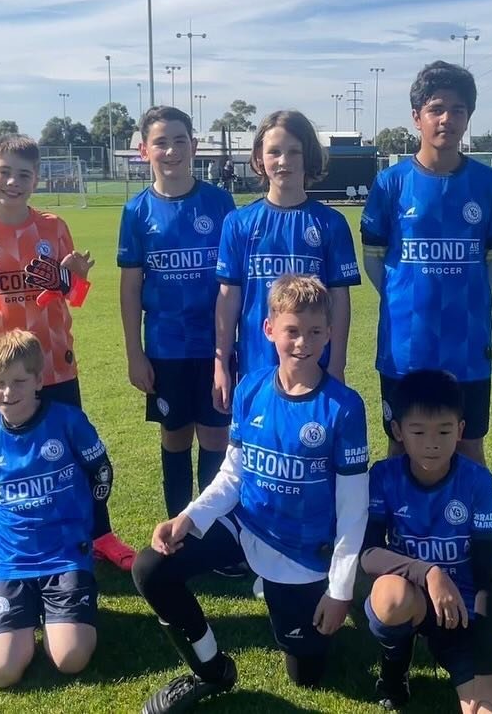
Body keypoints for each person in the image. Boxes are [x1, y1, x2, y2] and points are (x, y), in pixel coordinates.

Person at [131, 274, 370, 712]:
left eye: (315, 332)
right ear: (269, 330)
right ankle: (210, 669)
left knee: (308, 676)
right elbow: (234, 473)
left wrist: (339, 590)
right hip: (247, 526)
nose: (303, 342)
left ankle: (292, 597)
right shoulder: (251, 388)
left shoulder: (345, 407)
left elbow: (353, 510)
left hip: (301, 552)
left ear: (330, 333)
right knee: (151, 568)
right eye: (292, 330)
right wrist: (190, 516)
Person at [0, 134, 135, 571]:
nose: (13, 181)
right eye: (3, 172)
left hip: (54, 363)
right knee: (5, 464)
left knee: (79, 454)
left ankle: (100, 533)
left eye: (23, 174)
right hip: (2, 376)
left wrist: (77, 277)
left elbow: (74, 294)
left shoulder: (53, 227)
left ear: (37, 179)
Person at [361, 61, 492, 465]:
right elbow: (376, 261)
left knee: (468, 445)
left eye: (458, 110)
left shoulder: (488, 184)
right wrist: (409, 294)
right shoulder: (390, 184)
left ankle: (474, 529)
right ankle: (392, 530)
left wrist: (464, 294)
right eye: (436, 109)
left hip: (467, 342)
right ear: (417, 117)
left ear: (469, 117)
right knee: (399, 445)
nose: (447, 119)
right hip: (404, 344)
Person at [361, 370, 492, 713]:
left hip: (460, 610)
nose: (432, 443)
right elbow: (369, 553)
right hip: (411, 596)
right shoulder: (383, 476)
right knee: (390, 596)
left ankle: (460, 657)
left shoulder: (477, 481)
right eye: (418, 432)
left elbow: (486, 573)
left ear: (460, 430)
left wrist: (488, 661)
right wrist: (429, 572)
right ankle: (394, 666)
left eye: (444, 431)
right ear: (398, 432)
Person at [0, 330, 112, 688]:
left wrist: (82, 529)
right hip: (12, 563)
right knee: (0, 673)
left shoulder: (68, 422)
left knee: (70, 659)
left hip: (64, 556)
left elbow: (102, 472)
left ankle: (62, 613)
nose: (8, 392)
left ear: (39, 380)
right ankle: (29, 615)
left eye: (19, 381)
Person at [119, 106, 236, 517]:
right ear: (143, 150)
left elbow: (233, 281)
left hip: (215, 346)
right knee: (175, 436)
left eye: (179, 140)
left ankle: (214, 530)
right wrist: (135, 353)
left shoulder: (220, 203)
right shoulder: (136, 212)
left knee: (216, 437)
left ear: (194, 145)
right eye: (161, 142)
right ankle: (179, 528)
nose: (171, 150)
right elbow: (131, 287)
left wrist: (227, 351)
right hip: (165, 348)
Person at [213, 110, 361, 416]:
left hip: (316, 368)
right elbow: (229, 299)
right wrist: (221, 364)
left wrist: (337, 365)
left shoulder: (330, 224)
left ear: (308, 157)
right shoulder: (239, 223)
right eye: (274, 152)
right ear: (258, 159)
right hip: (256, 366)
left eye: (294, 151)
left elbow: (339, 301)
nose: (284, 161)